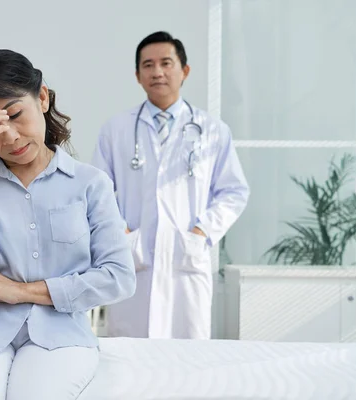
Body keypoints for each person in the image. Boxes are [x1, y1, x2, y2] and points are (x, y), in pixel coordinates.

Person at [0, 49, 136, 400]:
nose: (9, 138)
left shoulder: (89, 184)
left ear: (42, 97)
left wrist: (20, 291)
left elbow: (118, 277)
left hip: (62, 333)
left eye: (15, 115)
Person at [91, 31, 249, 340]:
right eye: (148, 65)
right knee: (131, 355)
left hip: (186, 260)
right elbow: (97, 193)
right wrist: (122, 235)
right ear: (138, 75)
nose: (157, 72)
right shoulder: (116, 129)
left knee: (188, 356)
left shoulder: (213, 131)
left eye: (166, 63)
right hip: (134, 260)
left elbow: (234, 191)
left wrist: (202, 233)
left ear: (184, 71)